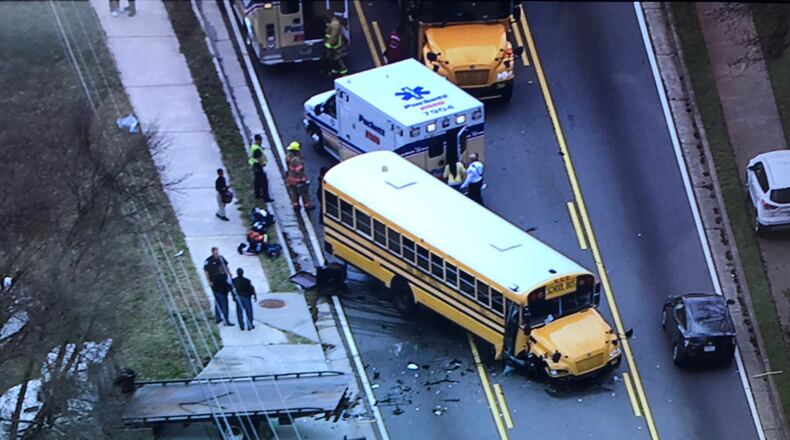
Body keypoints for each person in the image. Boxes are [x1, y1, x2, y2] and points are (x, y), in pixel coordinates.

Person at [203, 247, 234, 326]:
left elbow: (226, 266)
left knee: (221, 300)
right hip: (215, 284)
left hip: (224, 283)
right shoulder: (208, 261)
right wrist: (209, 281)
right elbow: (206, 271)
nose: (217, 254)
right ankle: (223, 319)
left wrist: (229, 275)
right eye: (215, 253)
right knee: (220, 300)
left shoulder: (221, 258)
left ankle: (221, 318)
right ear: (212, 253)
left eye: (218, 252)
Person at [286, 141, 314, 210]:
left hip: (291, 179)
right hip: (298, 180)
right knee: (304, 193)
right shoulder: (296, 160)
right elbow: (299, 171)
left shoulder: (288, 157)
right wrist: (303, 179)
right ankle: (307, 206)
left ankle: (296, 205)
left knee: (294, 193)